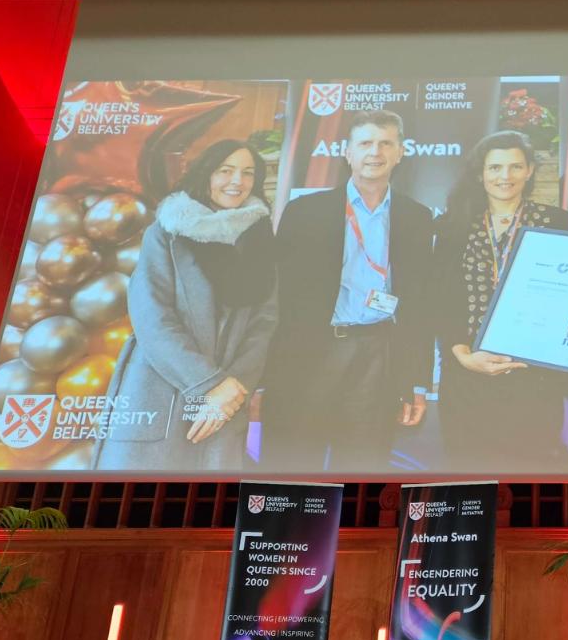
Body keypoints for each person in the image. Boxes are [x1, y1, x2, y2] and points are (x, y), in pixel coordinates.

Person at [262, 109, 437, 472]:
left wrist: (416, 382)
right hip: (310, 354)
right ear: (347, 152)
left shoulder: (417, 217)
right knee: (294, 467)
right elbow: (277, 299)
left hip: (377, 356)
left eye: (385, 143)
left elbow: (420, 306)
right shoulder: (304, 212)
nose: (375, 152)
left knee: (363, 468)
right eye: (365, 143)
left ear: (401, 152)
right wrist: (263, 379)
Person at [95, 139, 278, 471]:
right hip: (161, 385)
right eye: (226, 170)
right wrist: (209, 384)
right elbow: (151, 315)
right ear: (206, 173)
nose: (237, 181)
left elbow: (265, 322)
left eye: (248, 173)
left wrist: (233, 388)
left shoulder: (261, 237)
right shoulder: (168, 230)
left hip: (227, 400)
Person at [431, 130, 568, 472]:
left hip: (534, 375)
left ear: (529, 171)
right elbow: (438, 298)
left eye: (515, 167)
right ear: (480, 173)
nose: (505, 177)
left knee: (530, 472)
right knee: (468, 474)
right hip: (467, 371)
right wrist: (461, 354)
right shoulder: (454, 225)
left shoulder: (557, 221)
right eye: (495, 167)